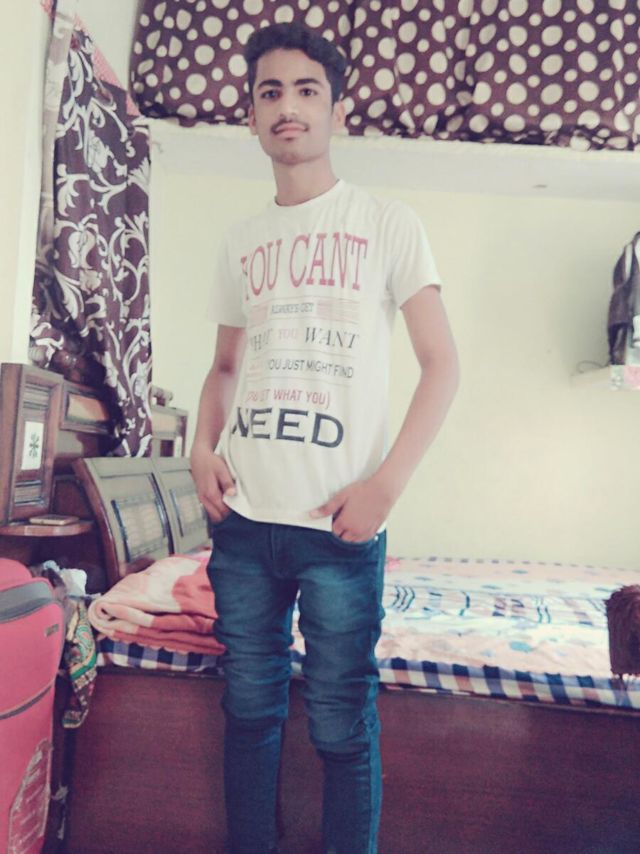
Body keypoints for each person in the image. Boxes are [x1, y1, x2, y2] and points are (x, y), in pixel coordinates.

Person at [190, 21, 459, 854]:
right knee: (248, 714)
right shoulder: (241, 241)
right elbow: (224, 367)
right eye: (270, 91)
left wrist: (386, 488)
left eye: (307, 90)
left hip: (339, 529)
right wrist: (199, 449)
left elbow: (442, 365)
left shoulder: (387, 223)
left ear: (337, 111)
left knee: (342, 724)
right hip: (244, 525)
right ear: (251, 115)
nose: (288, 106)